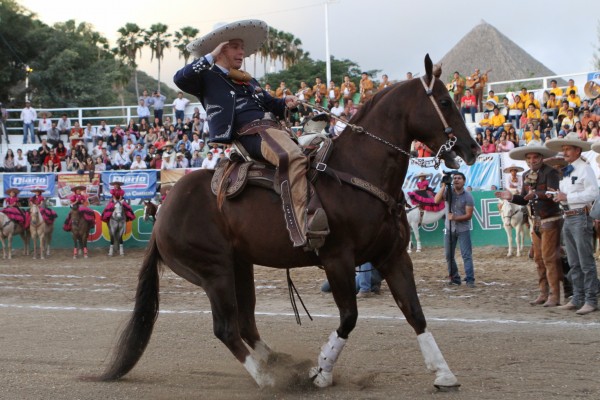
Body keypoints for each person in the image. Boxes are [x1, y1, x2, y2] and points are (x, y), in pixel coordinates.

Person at [174, 19, 327, 249]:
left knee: (322, 149)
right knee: (292, 157)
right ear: (221, 48)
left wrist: (285, 101)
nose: (241, 51)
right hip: (251, 134)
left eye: (242, 47)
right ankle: (302, 224)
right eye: (235, 46)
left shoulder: (247, 79)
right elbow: (179, 78)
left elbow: (270, 103)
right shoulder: (206, 77)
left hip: (273, 129)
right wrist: (211, 56)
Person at [495, 143, 566, 306]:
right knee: (539, 259)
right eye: (529, 158)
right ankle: (544, 293)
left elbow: (553, 193)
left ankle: (554, 295)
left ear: (541, 158)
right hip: (536, 221)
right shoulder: (526, 174)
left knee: (549, 258)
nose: (532, 160)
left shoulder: (551, 172)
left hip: (551, 219)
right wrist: (511, 198)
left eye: (535, 157)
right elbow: (523, 198)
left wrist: (536, 194)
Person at [545, 133, 600, 315]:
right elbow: (567, 196)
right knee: (574, 261)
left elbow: (593, 193)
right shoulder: (567, 171)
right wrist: (557, 196)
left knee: (585, 262)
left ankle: (590, 299)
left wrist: (567, 197)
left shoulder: (585, 169)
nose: (565, 152)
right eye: (564, 149)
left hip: (580, 216)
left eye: (568, 149)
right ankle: (578, 298)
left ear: (577, 150)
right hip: (569, 216)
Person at [434, 172, 475, 287]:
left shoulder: (468, 196)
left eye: (459, 178)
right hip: (449, 228)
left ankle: (470, 279)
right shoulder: (448, 192)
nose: (456, 180)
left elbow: (469, 215)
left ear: (464, 181)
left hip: (463, 229)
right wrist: (443, 186)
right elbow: (436, 200)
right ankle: (455, 277)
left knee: (466, 255)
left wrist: (455, 217)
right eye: (454, 178)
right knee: (448, 255)